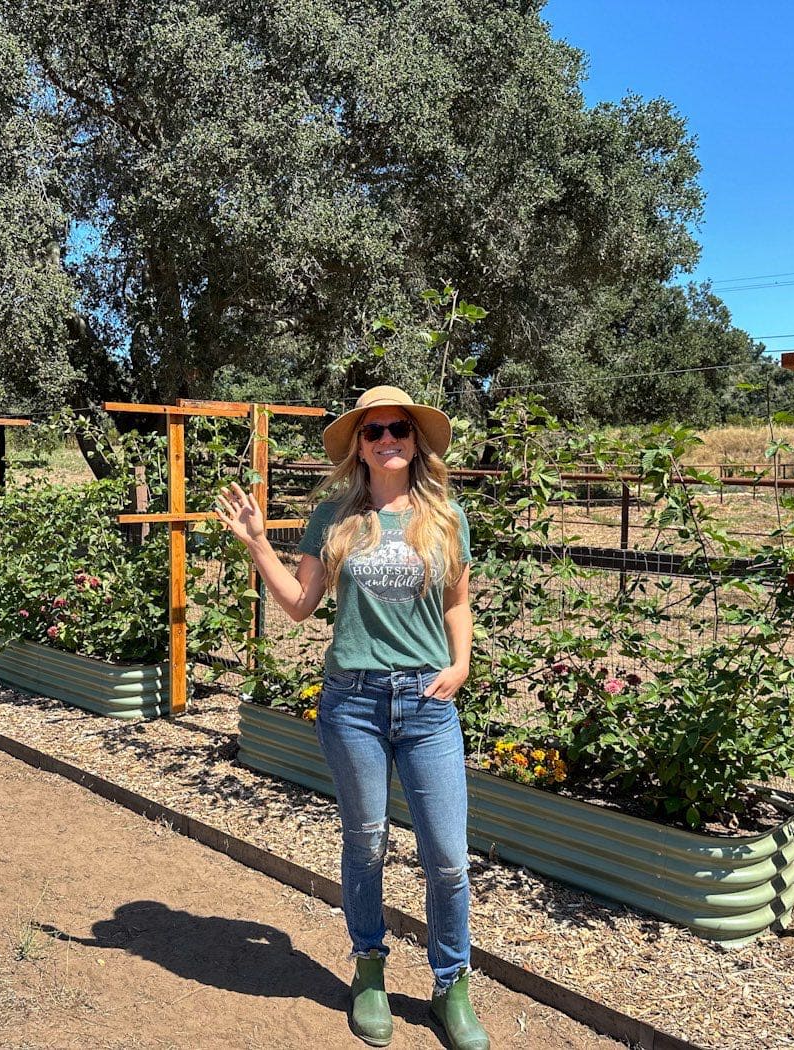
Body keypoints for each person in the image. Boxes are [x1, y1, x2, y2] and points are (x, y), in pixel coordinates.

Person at [216, 386, 488, 1049]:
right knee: (366, 844)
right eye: (374, 431)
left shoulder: (446, 516)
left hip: (428, 704)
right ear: (360, 448)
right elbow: (299, 604)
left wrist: (461, 664)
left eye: (399, 428)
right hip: (354, 703)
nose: (387, 438)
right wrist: (258, 544)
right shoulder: (335, 516)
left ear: (416, 441)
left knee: (448, 857)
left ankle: (451, 986)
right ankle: (369, 970)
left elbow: (457, 603)